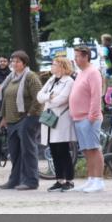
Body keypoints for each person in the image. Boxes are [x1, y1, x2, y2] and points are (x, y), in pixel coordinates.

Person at [0, 50, 42, 191]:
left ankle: (31, 181)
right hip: (11, 120)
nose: (14, 64)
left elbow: (39, 99)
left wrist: (30, 114)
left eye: (17, 61)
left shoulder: (30, 77)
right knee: (14, 152)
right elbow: (6, 99)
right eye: (13, 61)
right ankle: (15, 179)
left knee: (28, 151)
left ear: (24, 63)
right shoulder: (11, 77)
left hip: (26, 118)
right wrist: (3, 117)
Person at [69, 45, 106, 193]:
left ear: (85, 57)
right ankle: (91, 179)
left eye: (77, 56)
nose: (75, 59)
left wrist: (92, 116)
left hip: (89, 117)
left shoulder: (93, 72)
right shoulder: (81, 72)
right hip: (79, 117)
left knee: (94, 149)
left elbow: (96, 95)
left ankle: (99, 180)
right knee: (86, 150)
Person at [37, 56, 75, 191]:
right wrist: (48, 97)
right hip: (50, 118)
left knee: (63, 150)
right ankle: (59, 179)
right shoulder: (52, 79)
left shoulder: (69, 81)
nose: (51, 67)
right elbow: (39, 96)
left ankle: (69, 180)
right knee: (54, 150)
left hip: (61, 119)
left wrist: (48, 99)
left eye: (54, 64)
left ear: (62, 66)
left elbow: (61, 100)